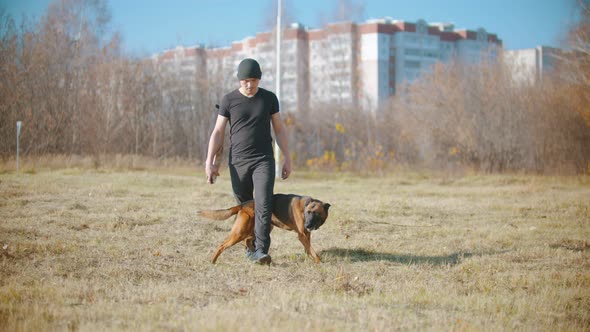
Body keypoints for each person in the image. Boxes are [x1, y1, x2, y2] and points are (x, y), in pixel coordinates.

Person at [205, 58, 291, 265]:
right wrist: (210, 161)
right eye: (245, 81)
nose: (250, 85)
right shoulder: (229, 100)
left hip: (263, 160)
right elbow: (218, 131)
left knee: (263, 203)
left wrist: (287, 157)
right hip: (238, 162)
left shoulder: (269, 99)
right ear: (239, 80)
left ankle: (261, 250)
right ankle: (249, 247)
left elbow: (279, 129)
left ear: (259, 79)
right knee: (245, 207)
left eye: (253, 80)